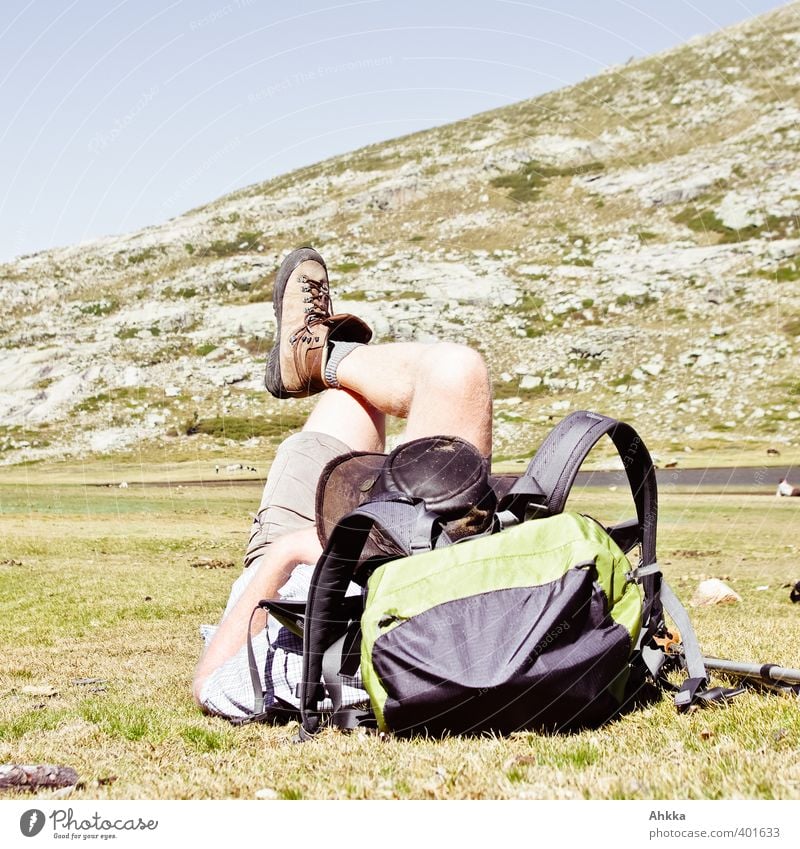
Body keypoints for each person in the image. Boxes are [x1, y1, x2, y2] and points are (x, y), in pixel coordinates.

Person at [193, 247, 493, 720]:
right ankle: (323, 356)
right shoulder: (437, 659)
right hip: (411, 554)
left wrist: (287, 553)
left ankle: (318, 356)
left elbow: (209, 682)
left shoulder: (286, 671)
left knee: (367, 394)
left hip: (297, 563)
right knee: (453, 372)